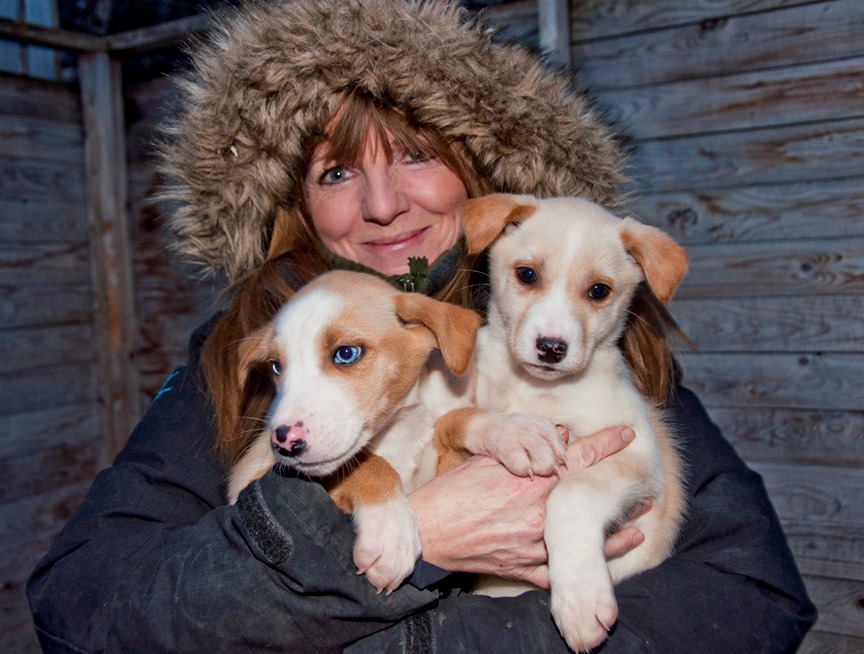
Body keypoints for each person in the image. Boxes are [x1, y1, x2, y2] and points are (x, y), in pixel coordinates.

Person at [27, 0, 816, 652]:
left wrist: (469, 633)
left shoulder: (578, 346)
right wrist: (424, 539)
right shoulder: (254, 354)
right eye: (336, 172)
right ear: (294, 205)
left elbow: (755, 594)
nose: (380, 204)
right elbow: (82, 606)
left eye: (414, 156)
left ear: (475, 173)